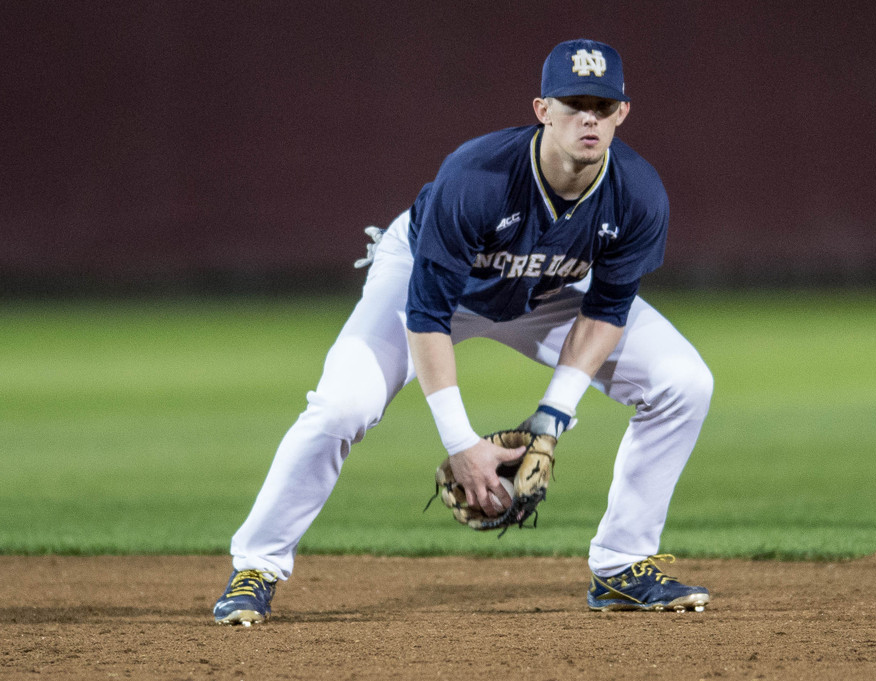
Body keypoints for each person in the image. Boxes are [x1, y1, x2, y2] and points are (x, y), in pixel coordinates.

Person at [213, 38, 714, 624]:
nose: (589, 118)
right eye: (573, 103)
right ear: (542, 110)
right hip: (432, 282)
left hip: (543, 293)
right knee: (340, 407)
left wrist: (550, 423)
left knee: (684, 382)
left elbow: (607, 309)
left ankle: (623, 564)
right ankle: (257, 566)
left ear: (622, 114)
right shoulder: (477, 176)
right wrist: (461, 443)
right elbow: (427, 315)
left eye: (602, 107)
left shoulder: (638, 194)